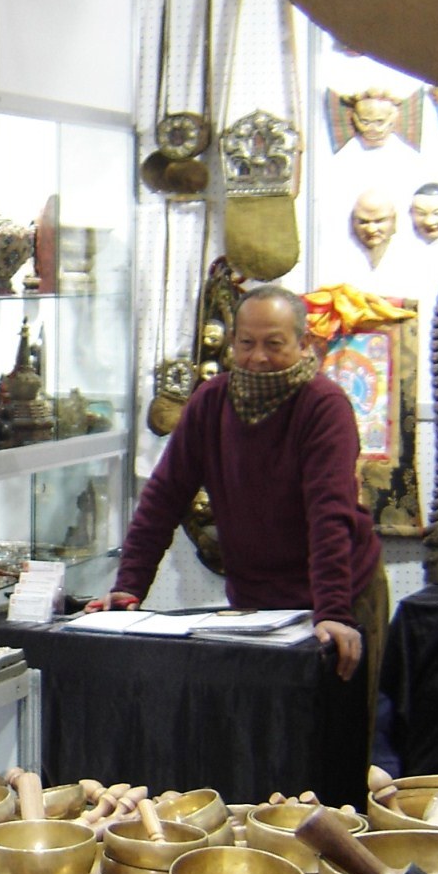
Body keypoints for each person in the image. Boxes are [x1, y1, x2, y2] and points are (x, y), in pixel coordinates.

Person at [91, 284, 386, 686]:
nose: (258, 357)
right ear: (232, 341)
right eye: (247, 343)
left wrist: (333, 611)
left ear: (303, 343)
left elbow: (329, 515)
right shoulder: (210, 401)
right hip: (255, 604)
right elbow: (163, 499)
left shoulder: (323, 405)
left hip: (340, 594)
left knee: (337, 722)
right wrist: (128, 588)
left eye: (274, 344)